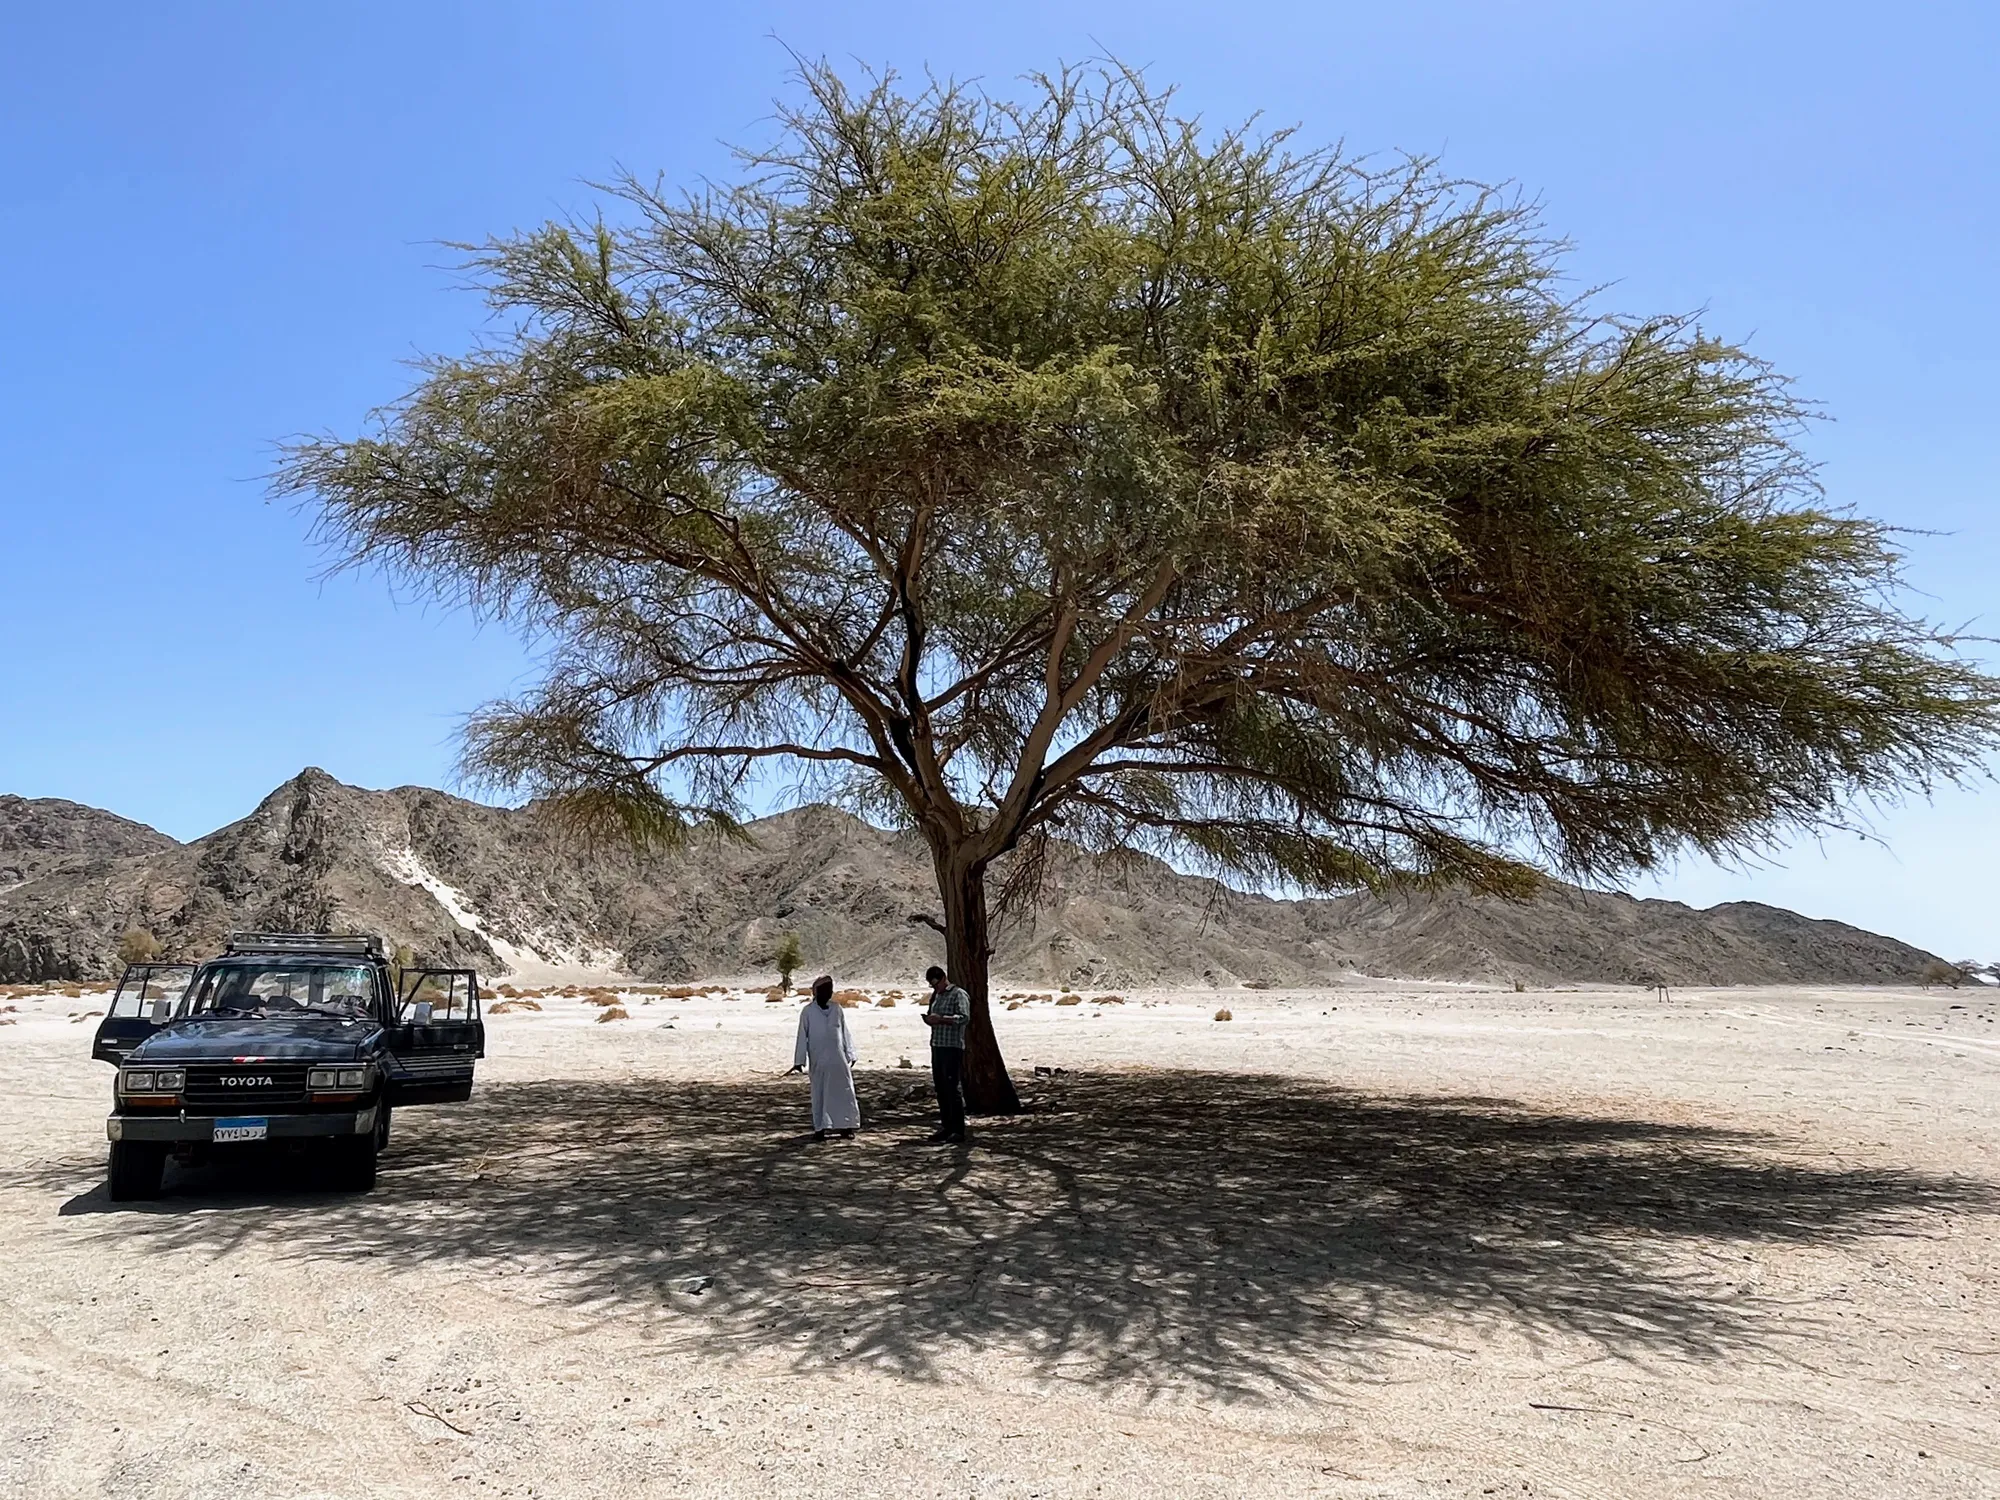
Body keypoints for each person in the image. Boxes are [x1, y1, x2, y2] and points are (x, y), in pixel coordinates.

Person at [788, 975, 859, 1140]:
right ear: (817, 991)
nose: (829, 992)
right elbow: (801, 1036)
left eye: (830, 989)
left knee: (844, 1091)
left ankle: (846, 1127)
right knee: (819, 1093)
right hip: (819, 1061)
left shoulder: (837, 1009)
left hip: (839, 1060)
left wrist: (851, 1053)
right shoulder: (808, 1012)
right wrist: (799, 1061)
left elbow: (844, 1033)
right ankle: (820, 1128)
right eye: (825, 989)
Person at [920, 964, 970, 1143]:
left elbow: (964, 1017)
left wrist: (942, 1019)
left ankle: (957, 1129)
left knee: (952, 1089)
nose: (935, 988)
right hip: (937, 1046)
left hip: (952, 1047)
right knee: (941, 1089)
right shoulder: (936, 996)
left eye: (936, 984)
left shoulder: (958, 994)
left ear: (943, 979)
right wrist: (930, 1020)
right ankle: (946, 1126)